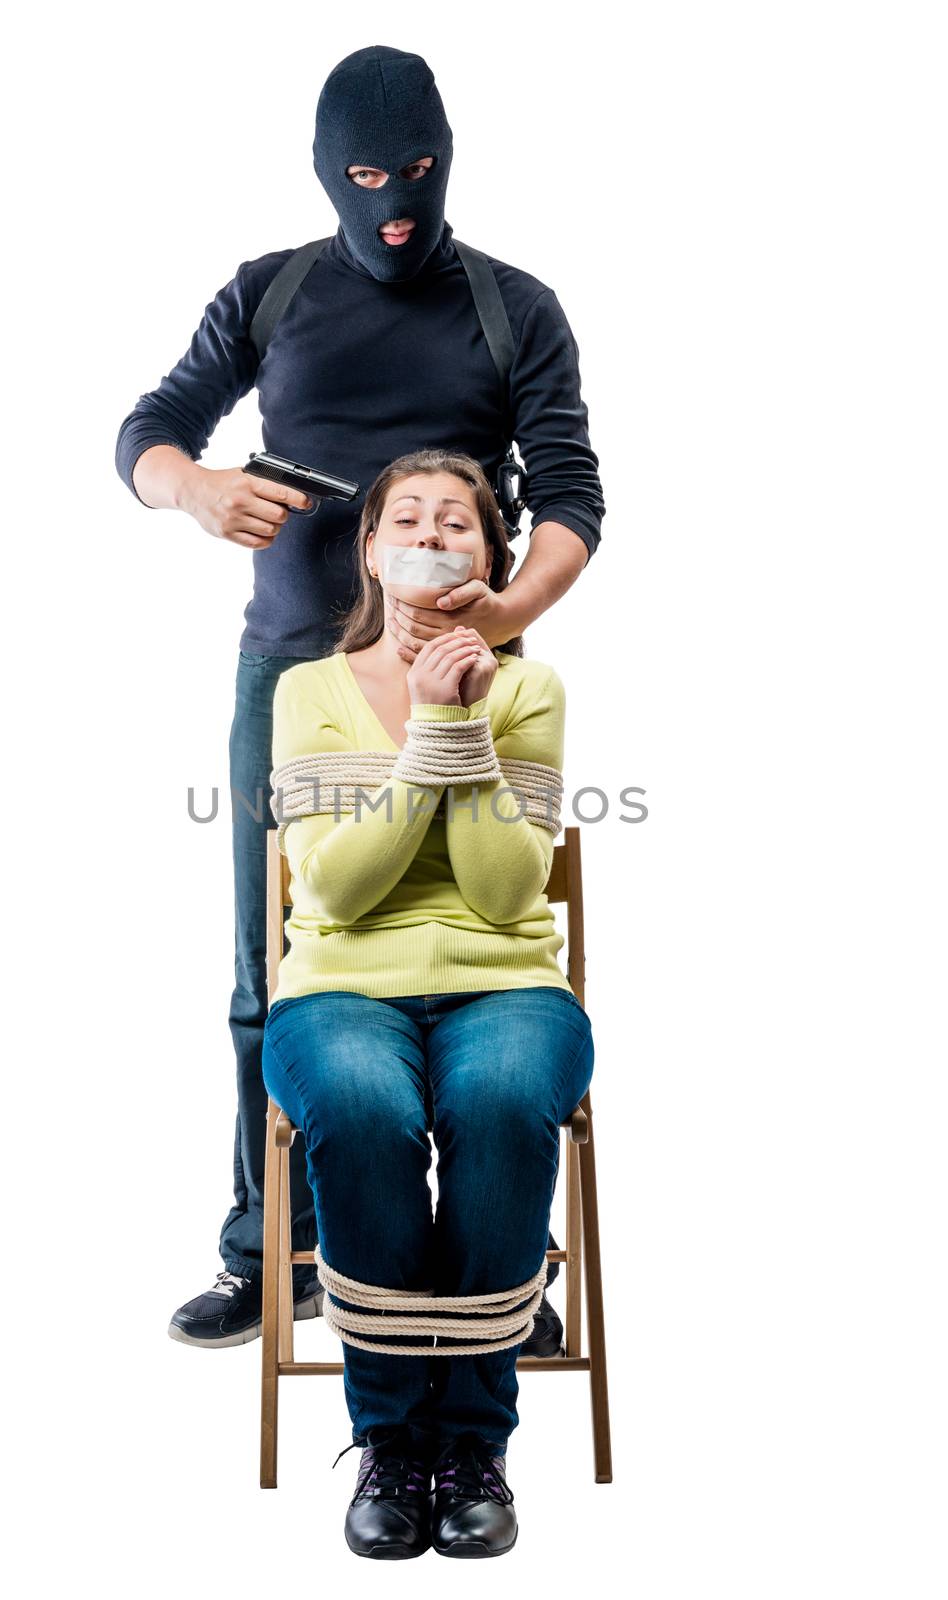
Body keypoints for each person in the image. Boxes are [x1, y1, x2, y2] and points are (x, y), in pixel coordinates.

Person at [113, 44, 605, 1353]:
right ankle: (276, 1247)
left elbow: (572, 497)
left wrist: (500, 620)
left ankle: (501, 1264)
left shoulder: (515, 308)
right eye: (368, 175)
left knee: (482, 937)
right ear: (328, 172)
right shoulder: (269, 294)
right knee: (270, 962)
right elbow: (147, 430)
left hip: (461, 675)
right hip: (296, 676)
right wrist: (195, 486)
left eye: (419, 172)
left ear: (449, 158)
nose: (394, 201)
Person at [262, 449, 593, 1559]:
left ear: (493, 557)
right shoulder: (306, 689)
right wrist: (437, 736)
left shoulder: (533, 689)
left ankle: (474, 1444)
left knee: (501, 1098)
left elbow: (505, 894)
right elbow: (339, 889)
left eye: (460, 521)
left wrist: (465, 718)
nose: (433, 533)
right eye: (407, 516)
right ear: (369, 549)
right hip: (340, 988)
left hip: (506, 985)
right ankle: (393, 1445)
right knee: (360, 1107)